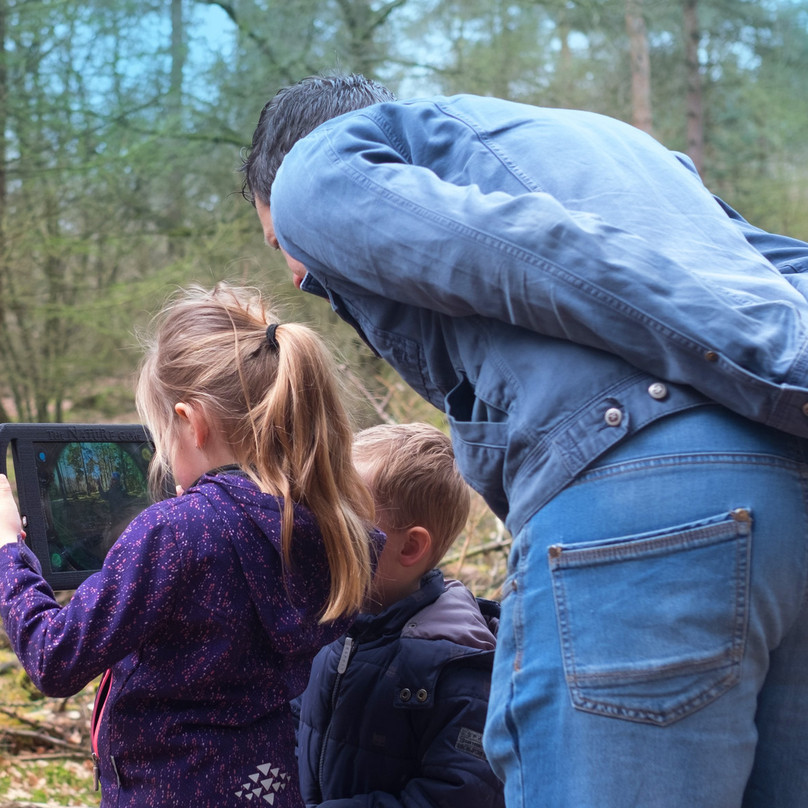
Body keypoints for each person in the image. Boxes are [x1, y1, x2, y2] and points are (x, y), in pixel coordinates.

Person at [241, 74, 808, 808]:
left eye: (281, 240)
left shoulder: (314, 171)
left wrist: (780, 371)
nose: (297, 270)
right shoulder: (627, 148)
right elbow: (783, 271)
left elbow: (553, 256)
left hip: (639, 499)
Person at [0, 283, 381, 807]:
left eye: (162, 435)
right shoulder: (336, 531)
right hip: (268, 786)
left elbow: (55, 658)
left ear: (192, 422)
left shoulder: (176, 532)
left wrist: (7, 551)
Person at [294, 421, 504, 807]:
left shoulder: (457, 668)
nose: (322, 530)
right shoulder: (325, 628)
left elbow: (459, 795)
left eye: (344, 520)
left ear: (410, 548)